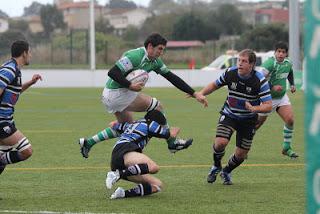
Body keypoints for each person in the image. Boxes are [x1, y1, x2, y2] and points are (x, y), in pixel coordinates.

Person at [78, 33, 207, 158]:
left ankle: (88, 142)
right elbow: (113, 72)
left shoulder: (155, 61)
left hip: (114, 96)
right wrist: (130, 85)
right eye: (159, 49)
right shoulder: (135, 56)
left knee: (126, 128)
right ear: (150, 46)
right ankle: (172, 142)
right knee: (157, 106)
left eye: (163, 50)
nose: (161, 52)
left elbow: (171, 77)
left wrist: (194, 93)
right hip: (115, 94)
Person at [197, 49, 272, 185]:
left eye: (244, 61)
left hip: (248, 120)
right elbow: (215, 85)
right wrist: (201, 94)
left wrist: (254, 108)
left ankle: (226, 171)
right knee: (220, 143)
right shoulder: (230, 73)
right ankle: (216, 166)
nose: (240, 64)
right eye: (239, 60)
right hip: (229, 114)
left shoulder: (260, 81)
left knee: (241, 154)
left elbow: (268, 105)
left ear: (252, 65)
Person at [105, 110, 192, 199]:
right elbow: (168, 134)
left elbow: (113, 125)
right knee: (153, 167)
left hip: (118, 158)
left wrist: (115, 124)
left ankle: (122, 193)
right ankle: (117, 174)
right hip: (125, 148)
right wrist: (174, 133)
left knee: (157, 185)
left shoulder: (134, 123)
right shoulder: (150, 124)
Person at [0, 40, 42, 174]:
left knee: (4, 153)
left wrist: (30, 83)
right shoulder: (9, 69)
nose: (30, 55)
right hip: (2, 122)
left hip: (7, 119)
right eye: (29, 52)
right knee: (26, 151)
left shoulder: (14, 69)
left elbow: (14, 91)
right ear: (24, 53)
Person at [255, 41, 298, 158]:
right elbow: (258, 78)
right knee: (256, 125)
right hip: (267, 98)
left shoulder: (288, 63)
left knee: (290, 120)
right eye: (278, 51)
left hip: (281, 98)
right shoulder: (270, 63)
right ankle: (243, 147)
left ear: (286, 54)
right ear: (275, 52)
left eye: (283, 52)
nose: (280, 54)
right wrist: (272, 86)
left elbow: (289, 72)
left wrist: (292, 84)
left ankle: (286, 148)